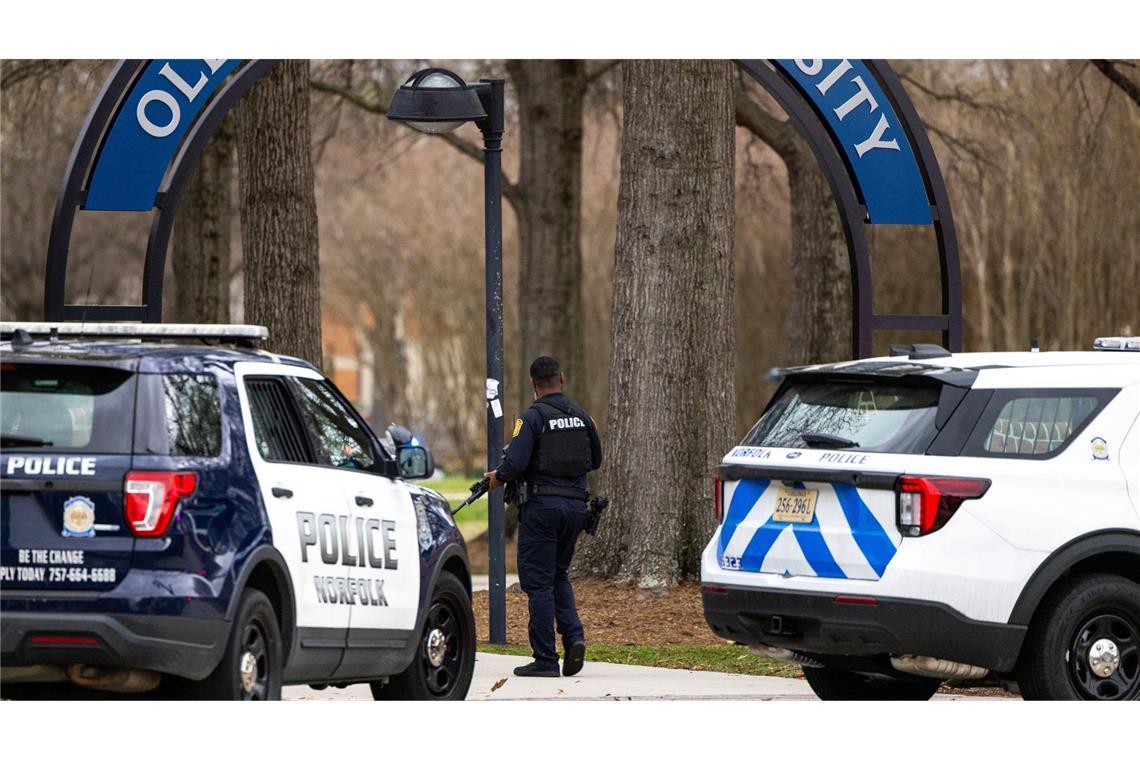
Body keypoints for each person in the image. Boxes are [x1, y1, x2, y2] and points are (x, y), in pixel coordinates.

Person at [484, 356, 603, 677]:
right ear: (561, 378)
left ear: (532, 384)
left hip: (541, 509)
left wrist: (498, 476)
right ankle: (574, 638)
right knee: (559, 575)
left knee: (538, 584)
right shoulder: (582, 416)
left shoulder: (531, 419)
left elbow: (515, 464)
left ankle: (546, 659)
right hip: (576, 509)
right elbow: (596, 459)